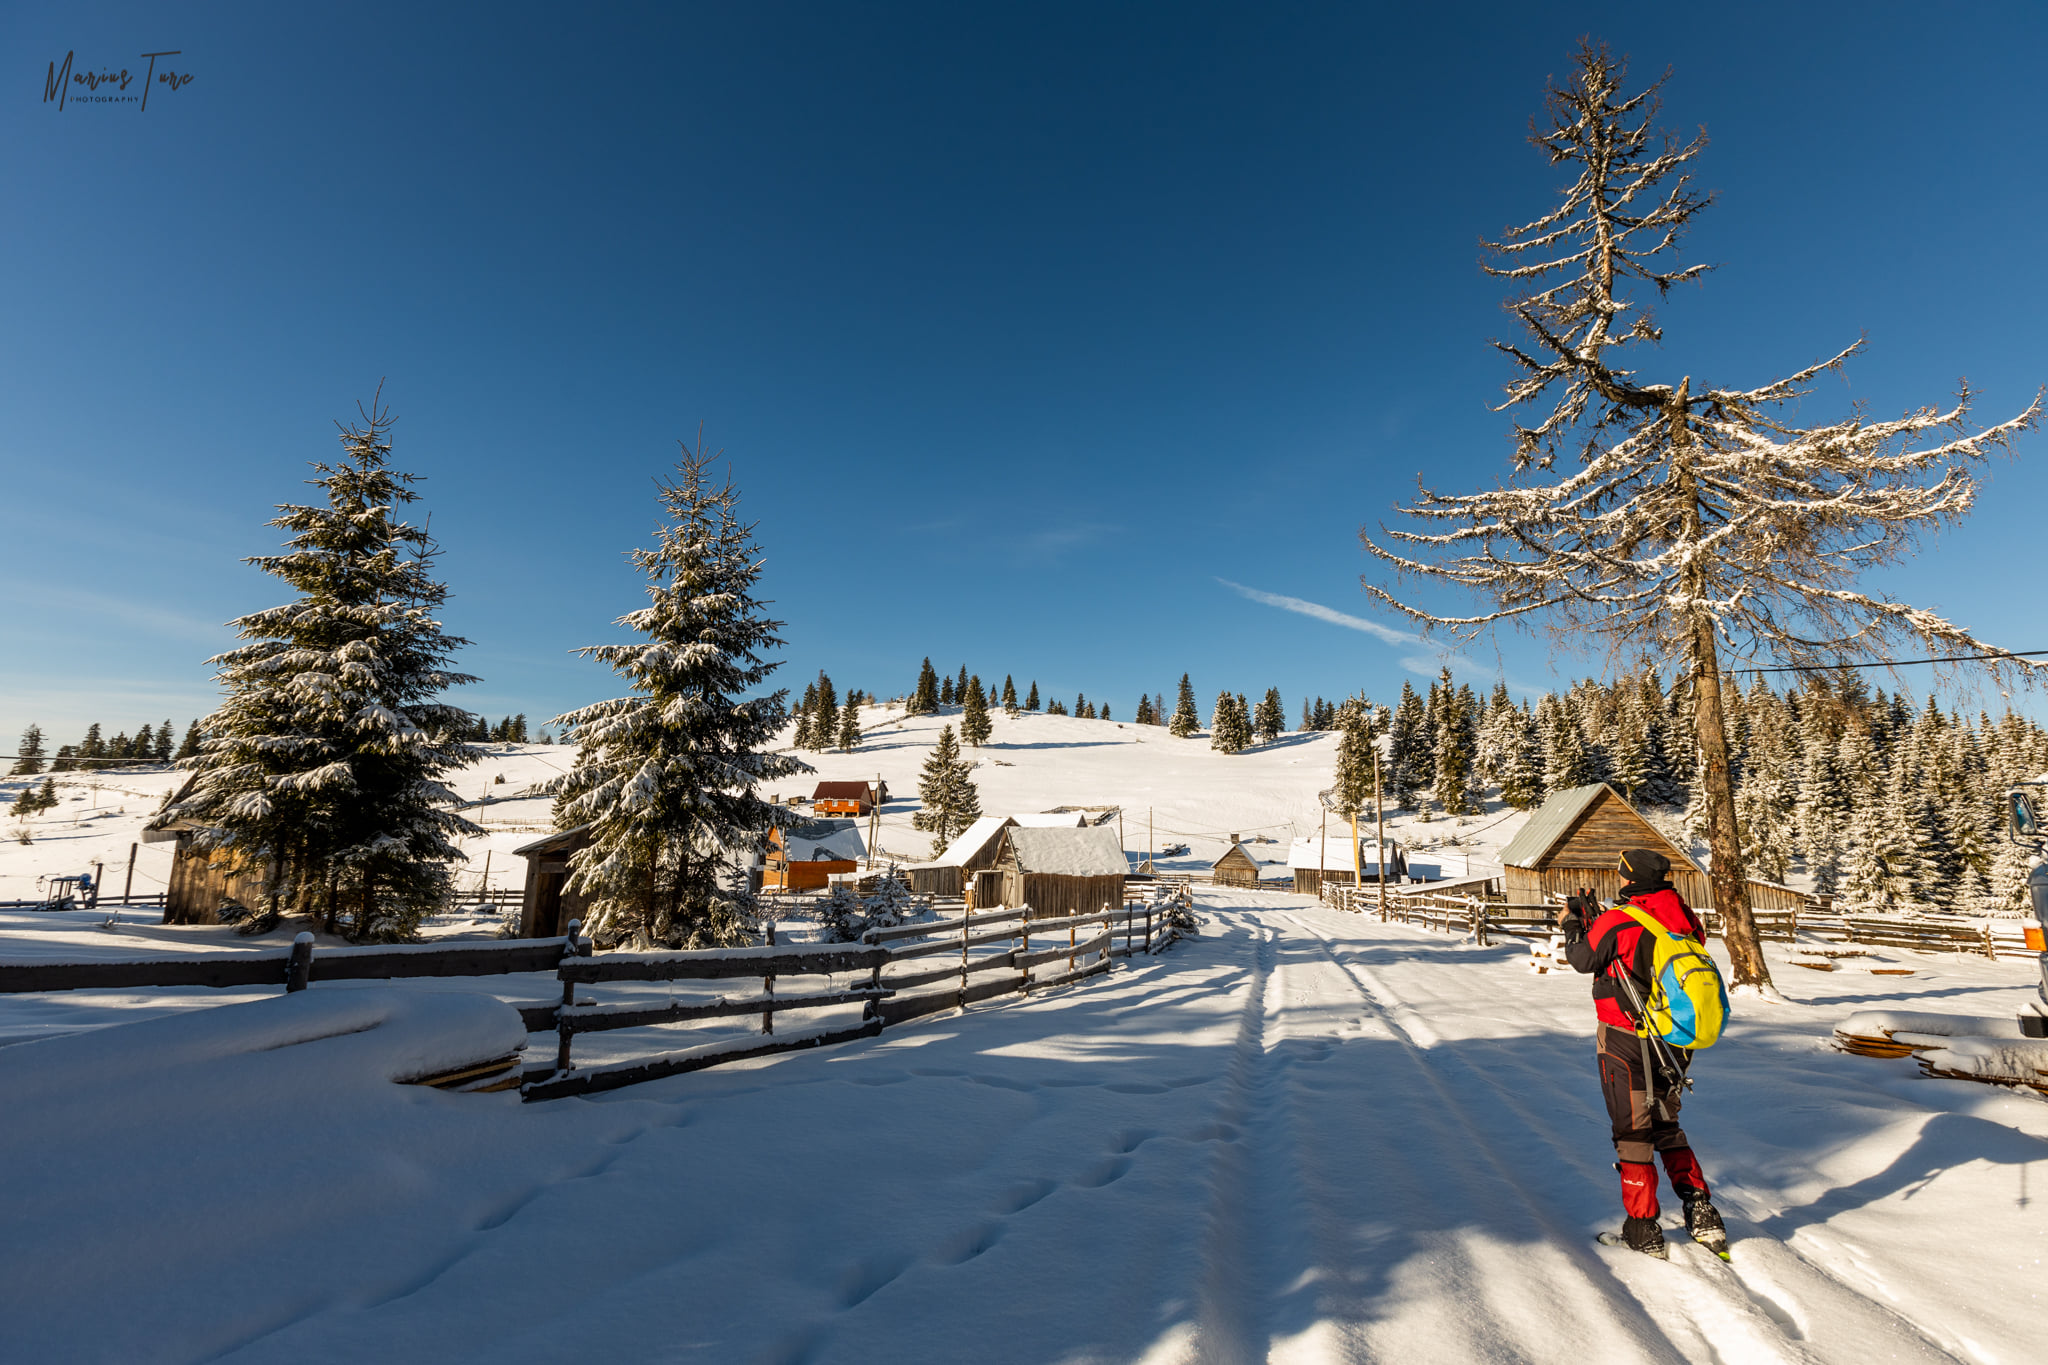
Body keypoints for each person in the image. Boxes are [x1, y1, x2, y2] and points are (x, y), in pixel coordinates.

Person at [1559, 848, 1728, 1259]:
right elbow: (1644, 951)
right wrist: (1599, 920)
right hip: (1675, 1040)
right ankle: (1701, 1210)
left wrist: (1573, 925)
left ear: (1629, 878)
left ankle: (1643, 1227)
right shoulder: (1685, 919)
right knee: (1666, 1123)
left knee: (1633, 1131)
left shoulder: (1619, 920)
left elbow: (1584, 959)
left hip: (1624, 1037)